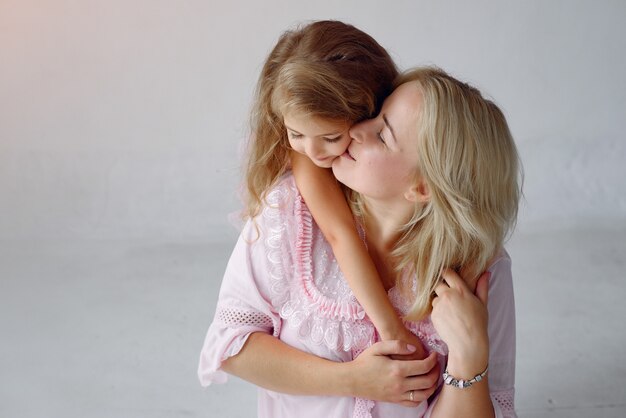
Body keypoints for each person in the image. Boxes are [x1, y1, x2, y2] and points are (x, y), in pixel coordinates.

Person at [199, 65, 520, 418]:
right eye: (376, 115)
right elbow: (230, 346)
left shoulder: (479, 272)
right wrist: (351, 379)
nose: (357, 129)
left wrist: (469, 358)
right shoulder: (291, 213)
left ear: (423, 187)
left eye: (383, 136)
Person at [242, 21, 429, 359]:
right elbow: (339, 232)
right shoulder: (305, 158)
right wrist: (391, 330)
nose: (313, 152)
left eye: (331, 138)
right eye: (295, 133)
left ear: (368, 115)